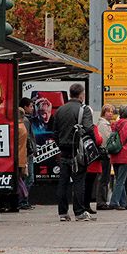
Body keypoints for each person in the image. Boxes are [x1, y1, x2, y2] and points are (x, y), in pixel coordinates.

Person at [49, 83, 95, 221]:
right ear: (81, 95)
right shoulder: (84, 109)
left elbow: (55, 132)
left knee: (63, 182)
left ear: (70, 94)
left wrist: (60, 144)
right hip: (78, 152)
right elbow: (89, 129)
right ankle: (79, 212)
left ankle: (63, 213)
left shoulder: (60, 110)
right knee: (79, 181)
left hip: (63, 150)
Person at [107, 105, 127, 211]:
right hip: (125, 156)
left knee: (120, 180)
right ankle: (114, 202)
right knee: (121, 181)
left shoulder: (115, 124)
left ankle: (124, 203)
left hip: (115, 155)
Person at [95, 104, 115, 210]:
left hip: (105, 154)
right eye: (108, 111)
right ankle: (101, 202)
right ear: (104, 112)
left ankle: (103, 200)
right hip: (104, 154)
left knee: (105, 178)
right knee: (103, 178)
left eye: (112, 111)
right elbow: (107, 140)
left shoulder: (106, 124)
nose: (111, 113)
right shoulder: (103, 125)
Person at [82, 125, 104, 216]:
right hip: (92, 160)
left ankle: (82, 205)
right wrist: (101, 136)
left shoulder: (79, 127)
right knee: (89, 185)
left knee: (83, 184)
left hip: (82, 159)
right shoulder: (92, 127)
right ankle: (86, 206)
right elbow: (98, 140)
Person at [19, 97, 36, 207]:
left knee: (25, 177)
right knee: (29, 178)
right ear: (25, 107)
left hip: (24, 152)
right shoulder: (25, 121)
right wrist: (32, 149)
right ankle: (23, 200)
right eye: (30, 106)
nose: (33, 108)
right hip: (26, 153)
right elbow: (28, 137)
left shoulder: (26, 120)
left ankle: (23, 200)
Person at [16, 106, 32, 209]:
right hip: (22, 157)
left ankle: (21, 199)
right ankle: (23, 199)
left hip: (19, 157)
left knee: (19, 180)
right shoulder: (23, 127)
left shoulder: (19, 127)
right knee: (22, 179)